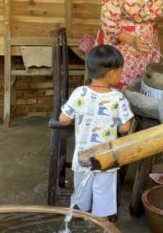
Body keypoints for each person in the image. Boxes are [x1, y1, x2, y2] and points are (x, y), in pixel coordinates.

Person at [59, 45, 134, 221]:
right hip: (106, 158)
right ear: (112, 73)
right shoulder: (118, 97)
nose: (121, 75)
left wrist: (73, 117)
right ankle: (102, 220)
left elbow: (63, 119)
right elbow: (124, 128)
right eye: (121, 72)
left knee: (82, 188)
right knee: (104, 189)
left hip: (83, 155)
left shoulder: (80, 93)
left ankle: (82, 213)